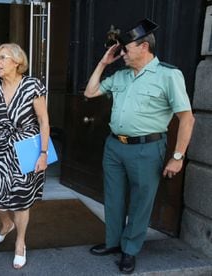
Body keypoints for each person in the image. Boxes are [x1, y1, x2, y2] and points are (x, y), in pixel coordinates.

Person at [84, 19, 195, 274]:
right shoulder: (120, 75)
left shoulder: (168, 75)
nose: (121, 54)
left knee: (140, 202)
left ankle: (130, 249)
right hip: (114, 146)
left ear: (144, 47)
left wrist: (177, 156)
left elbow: (187, 118)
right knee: (113, 198)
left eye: (125, 49)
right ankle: (113, 243)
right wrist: (103, 63)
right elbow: (90, 93)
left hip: (147, 149)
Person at [0, 43, 50, 269]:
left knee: (21, 199)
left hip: (26, 145)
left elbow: (43, 120)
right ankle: (6, 224)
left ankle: (20, 243)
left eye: (3, 58)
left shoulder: (32, 85)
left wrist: (44, 153)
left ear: (17, 62)